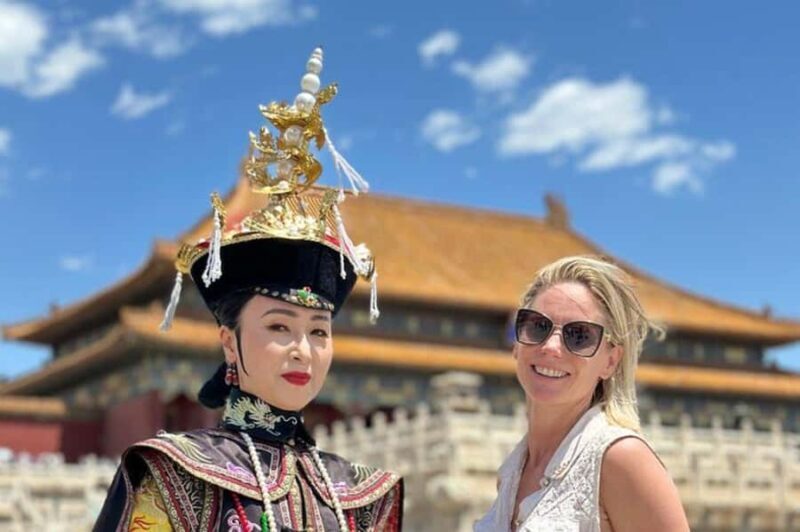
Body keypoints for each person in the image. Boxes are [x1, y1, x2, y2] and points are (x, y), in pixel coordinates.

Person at [94, 48, 403, 532]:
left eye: (319, 332)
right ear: (228, 341)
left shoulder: (362, 494)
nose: (304, 350)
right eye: (280, 326)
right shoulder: (177, 475)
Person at [474, 256, 688, 531]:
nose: (551, 346)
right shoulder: (512, 471)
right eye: (538, 326)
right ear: (517, 342)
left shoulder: (621, 459)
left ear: (610, 361)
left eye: (579, 335)